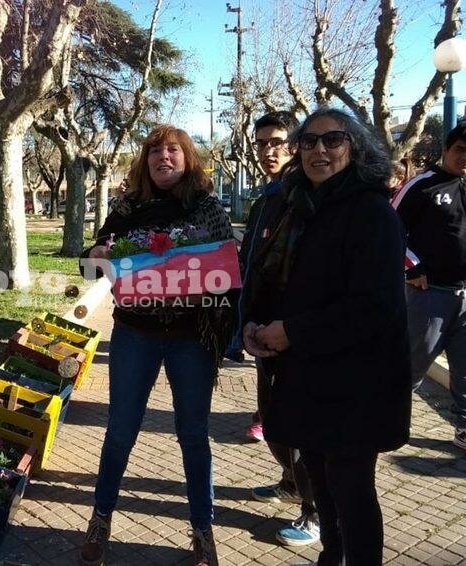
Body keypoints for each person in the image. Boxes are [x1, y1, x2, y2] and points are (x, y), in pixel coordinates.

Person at [243, 108, 411, 565]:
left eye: (333, 140)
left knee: (352, 498)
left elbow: (375, 306)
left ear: (354, 149)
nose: (320, 150)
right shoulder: (300, 206)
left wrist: (291, 332)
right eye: (310, 142)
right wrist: (258, 325)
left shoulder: (370, 211)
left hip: (358, 387)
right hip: (310, 379)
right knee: (324, 494)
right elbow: (280, 280)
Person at [78, 125, 235, 566]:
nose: (162, 157)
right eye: (153, 151)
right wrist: (96, 257)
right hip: (135, 335)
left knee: (193, 436)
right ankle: (100, 520)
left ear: (187, 158)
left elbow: (227, 265)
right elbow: (90, 264)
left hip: (191, 339)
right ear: (144, 161)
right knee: (120, 432)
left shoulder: (206, 207)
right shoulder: (127, 205)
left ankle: (203, 533)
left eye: (172, 150)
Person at [234, 111, 321, 548]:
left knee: (300, 428)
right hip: (264, 331)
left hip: (295, 337)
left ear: (296, 144)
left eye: (278, 141)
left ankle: (317, 511)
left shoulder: (304, 196)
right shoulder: (268, 197)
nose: (269, 150)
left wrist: (289, 327)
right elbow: (255, 263)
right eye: (262, 142)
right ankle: (291, 484)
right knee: (272, 419)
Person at [392, 123, 466, 450]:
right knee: (412, 365)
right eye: (460, 149)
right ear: (446, 149)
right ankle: (386, 417)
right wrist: (412, 266)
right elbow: (389, 229)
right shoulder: (422, 186)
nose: (465, 158)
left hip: (464, 296)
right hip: (428, 295)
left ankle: (464, 428)